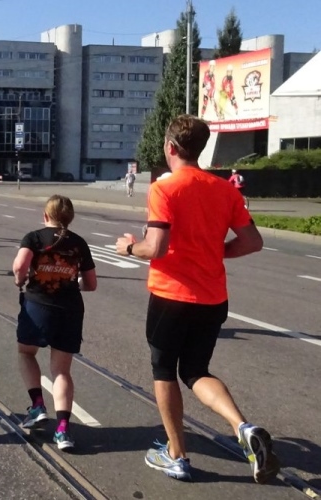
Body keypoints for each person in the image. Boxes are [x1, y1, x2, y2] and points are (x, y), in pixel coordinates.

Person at [115, 115, 278, 483]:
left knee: (163, 371)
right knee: (196, 371)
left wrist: (128, 248)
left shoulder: (165, 188)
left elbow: (156, 247)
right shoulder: (225, 190)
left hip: (171, 296)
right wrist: (215, 252)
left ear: (170, 147)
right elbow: (253, 241)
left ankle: (177, 455)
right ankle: (243, 427)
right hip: (212, 298)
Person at [12, 195, 97, 451]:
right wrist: (72, 281)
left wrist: (20, 281)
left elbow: (20, 266)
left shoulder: (34, 238)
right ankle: (63, 430)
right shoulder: (79, 243)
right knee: (61, 371)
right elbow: (91, 284)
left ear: (45, 215)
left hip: (38, 306)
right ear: (70, 218)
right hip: (70, 309)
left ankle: (37, 405)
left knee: (26, 353)